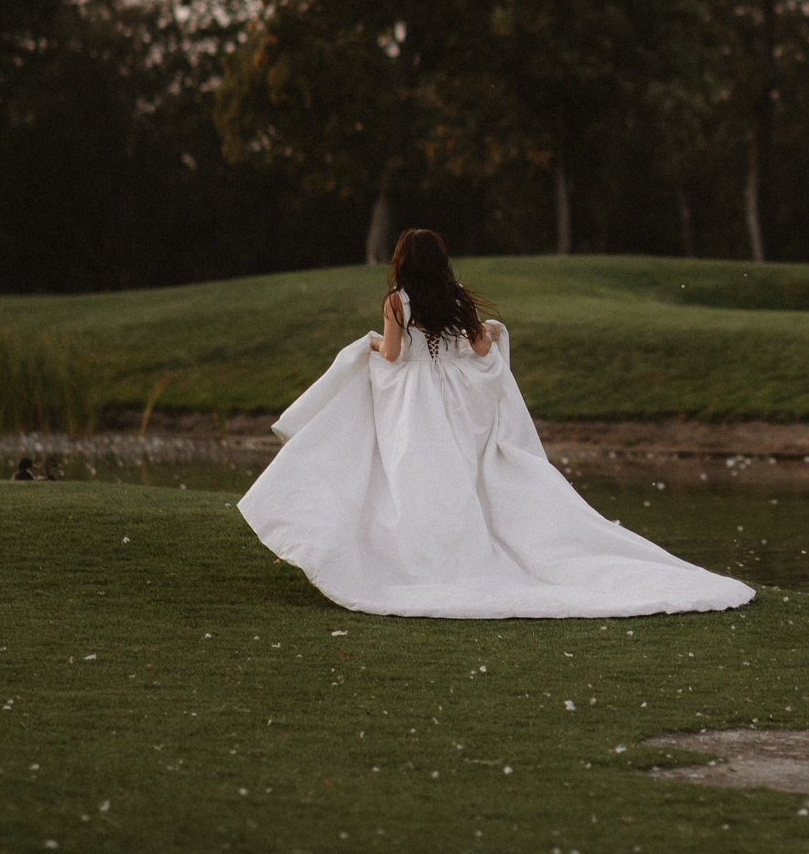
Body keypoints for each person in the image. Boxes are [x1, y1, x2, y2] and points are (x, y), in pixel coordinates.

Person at [238, 228, 751, 620]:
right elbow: (481, 348)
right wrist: (485, 331)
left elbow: (393, 357)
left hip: (412, 401)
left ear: (400, 261)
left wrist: (369, 343)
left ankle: (413, 552)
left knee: (409, 472)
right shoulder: (456, 295)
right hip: (453, 401)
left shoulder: (397, 301)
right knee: (457, 474)